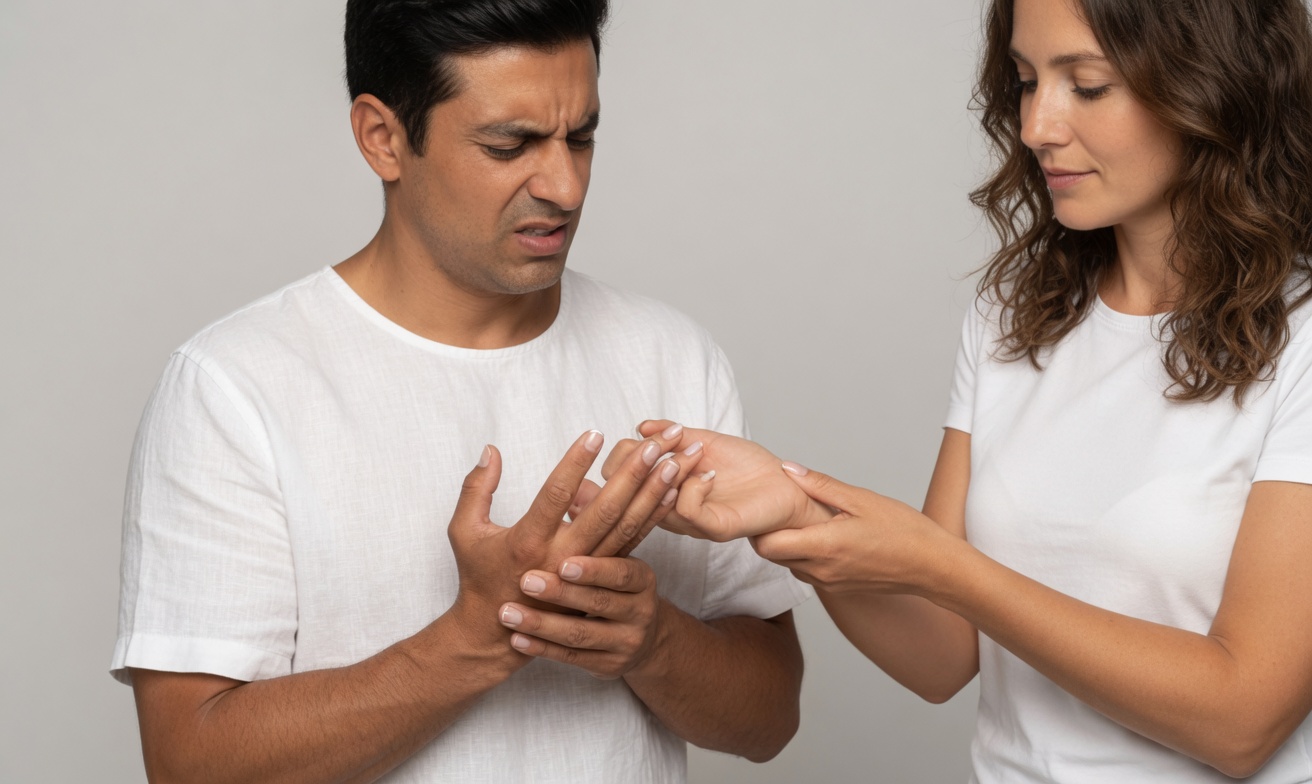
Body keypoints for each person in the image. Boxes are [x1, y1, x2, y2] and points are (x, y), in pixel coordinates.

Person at [611, 0, 1312, 780]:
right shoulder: (1017, 317)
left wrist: (949, 569)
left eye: (1086, 86)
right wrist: (795, 512)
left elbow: (1243, 719)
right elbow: (941, 655)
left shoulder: (1305, 338)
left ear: (1214, 86)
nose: (1038, 125)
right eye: (1024, 81)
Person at [109, 1, 808, 782]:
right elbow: (190, 764)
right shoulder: (234, 387)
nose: (566, 185)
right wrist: (478, 637)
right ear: (383, 138)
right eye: (510, 145)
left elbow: (770, 718)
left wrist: (649, 640)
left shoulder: (673, 356)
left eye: (581, 137)